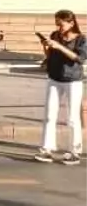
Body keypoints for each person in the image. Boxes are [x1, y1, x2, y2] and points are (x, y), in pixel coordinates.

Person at [35, 10, 85, 165]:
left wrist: (59, 46)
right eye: (57, 23)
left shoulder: (81, 40)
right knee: (49, 115)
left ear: (71, 23)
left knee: (72, 118)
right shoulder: (55, 35)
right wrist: (46, 46)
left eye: (61, 24)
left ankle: (74, 151)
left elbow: (79, 58)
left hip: (72, 80)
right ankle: (46, 149)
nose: (59, 27)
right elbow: (50, 55)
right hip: (54, 78)